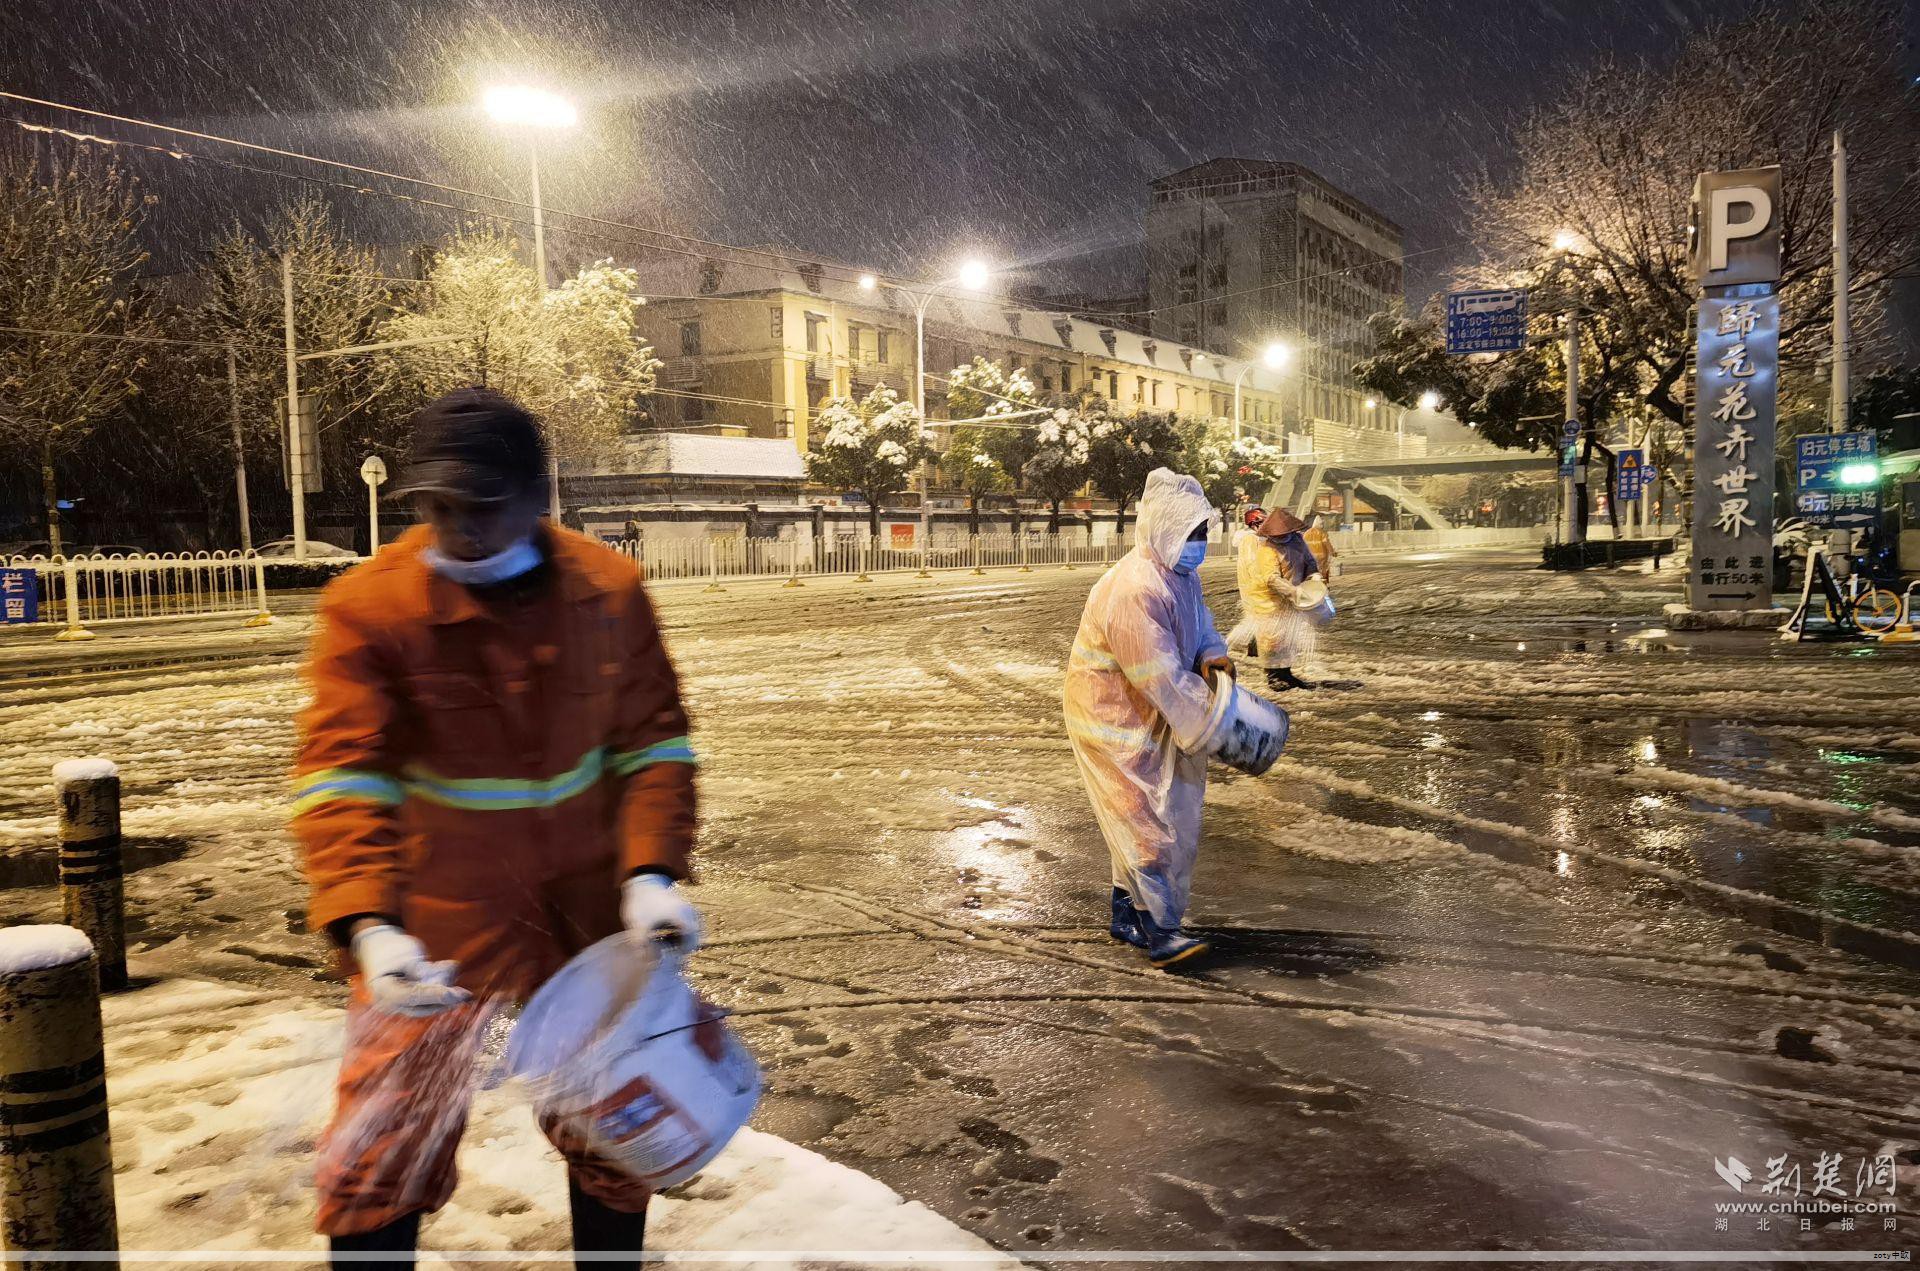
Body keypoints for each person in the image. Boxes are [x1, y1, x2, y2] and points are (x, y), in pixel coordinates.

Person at [291, 388, 700, 1266]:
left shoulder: (607, 590)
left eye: (482, 505)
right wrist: (369, 926)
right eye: (439, 507)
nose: (459, 527)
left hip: (588, 908)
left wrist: (650, 872)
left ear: (535, 495)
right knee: (382, 1142)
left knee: (612, 1127)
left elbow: (653, 744)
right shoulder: (372, 607)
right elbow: (341, 778)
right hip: (439, 914)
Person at [1063, 468, 1231, 969]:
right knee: (1147, 818)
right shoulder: (1134, 587)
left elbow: (1200, 626)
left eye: (1203, 532)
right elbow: (1156, 674)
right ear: (1164, 530)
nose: (1200, 543)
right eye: (1192, 533)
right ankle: (1162, 931)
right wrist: (1210, 724)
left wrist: (1213, 653)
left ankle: (1124, 913)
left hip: (1149, 711)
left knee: (1140, 811)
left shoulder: (1181, 575)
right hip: (1109, 716)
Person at [1229, 507, 1322, 693]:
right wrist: (1290, 591)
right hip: (1266, 597)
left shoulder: (1296, 540)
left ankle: (1286, 672)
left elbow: (1309, 561)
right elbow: (1267, 577)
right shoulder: (1261, 546)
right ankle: (1274, 676)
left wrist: (1314, 576)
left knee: (1289, 636)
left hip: (1292, 595)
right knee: (1271, 639)